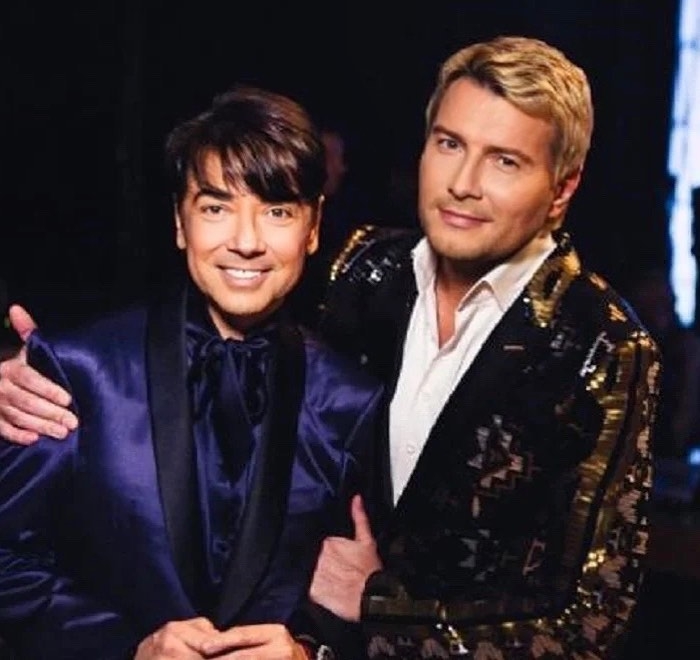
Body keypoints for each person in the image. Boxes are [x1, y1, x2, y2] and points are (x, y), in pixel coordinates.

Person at [0, 36, 660, 659]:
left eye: (506, 160)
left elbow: (587, 624)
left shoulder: (604, 346)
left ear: (562, 189)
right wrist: (20, 371)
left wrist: (372, 613)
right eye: (449, 143)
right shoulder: (367, 268)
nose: (464, 181)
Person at [0, 85, 382, 659]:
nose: (246, 242)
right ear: (181, 221)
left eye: (277, 211)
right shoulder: (81, 370)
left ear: (313, 227)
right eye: (216, 208)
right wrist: (127, 648)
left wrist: (308, 649)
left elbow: (355, 597)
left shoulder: (353, 401)